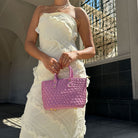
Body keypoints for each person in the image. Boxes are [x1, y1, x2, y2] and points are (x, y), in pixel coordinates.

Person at [19, 0, 96, 137]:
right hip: (45, 75)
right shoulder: (40, 10)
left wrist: (75, 54)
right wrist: (44, 58)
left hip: (71, 78)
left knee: (68, 129)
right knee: (33, 122)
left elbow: (91, 49)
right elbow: (29, 43)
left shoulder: (79, 12)